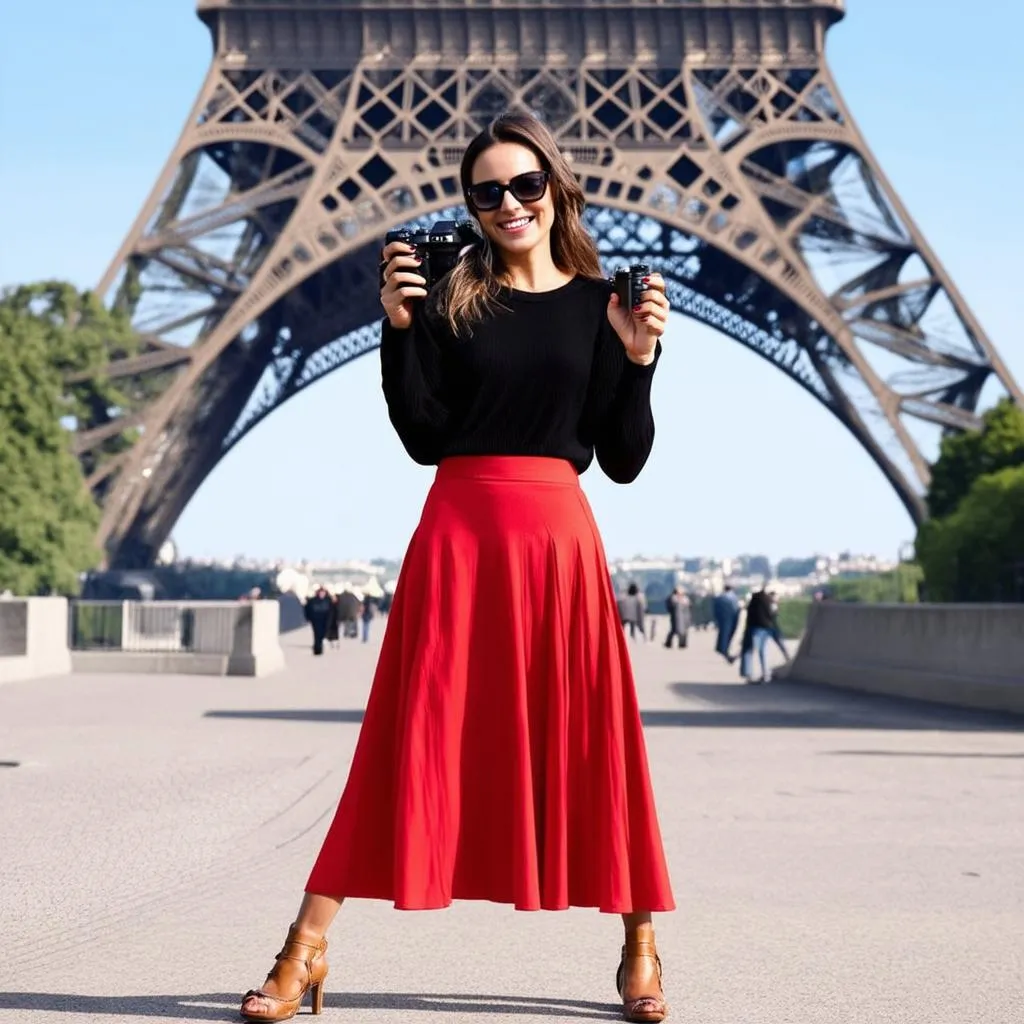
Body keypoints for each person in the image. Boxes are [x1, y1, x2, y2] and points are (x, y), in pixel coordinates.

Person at [239, 110, 674, 1024]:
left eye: (525, 185)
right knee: (406, 739)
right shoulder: (452, 300)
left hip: (557, 541)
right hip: (460, 536)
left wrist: (639, 361)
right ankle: (305, 948)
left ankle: (640, 942)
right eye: (487, 191)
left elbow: (624, 457)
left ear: (555, 186)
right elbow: (423, 436)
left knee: (595, 739)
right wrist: (399, 330)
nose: (509, 203)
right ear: (471, 205)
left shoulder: (600, 306)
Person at [739, 585, 779, 684]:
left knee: (749, 650)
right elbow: (771, 614)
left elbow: (749, 618)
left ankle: (749, 674)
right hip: (765, 628)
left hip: (754, 629)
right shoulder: (767, 600)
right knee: (762, 651)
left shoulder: (754, 602)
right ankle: (766, 674)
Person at [712, 585, 739, 662]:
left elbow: (715, 609)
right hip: (731, 618)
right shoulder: (733, 598)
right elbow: (735, 609)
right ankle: (724, 650)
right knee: (727, 635)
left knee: (722, 634)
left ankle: (721, 648)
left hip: (722, 619)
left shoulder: (720, 597)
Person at [303, 586, 333, 656]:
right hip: (316, 620)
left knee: (322, 634)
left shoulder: (328, 600)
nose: (322, 594)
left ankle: (318, 647)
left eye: (323, 593)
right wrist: (308, 618)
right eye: (321, 593)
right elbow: (307, 609)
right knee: (317, 634)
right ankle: (317, 649)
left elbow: (331, 611)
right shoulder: (313, 600)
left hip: (325, 620)